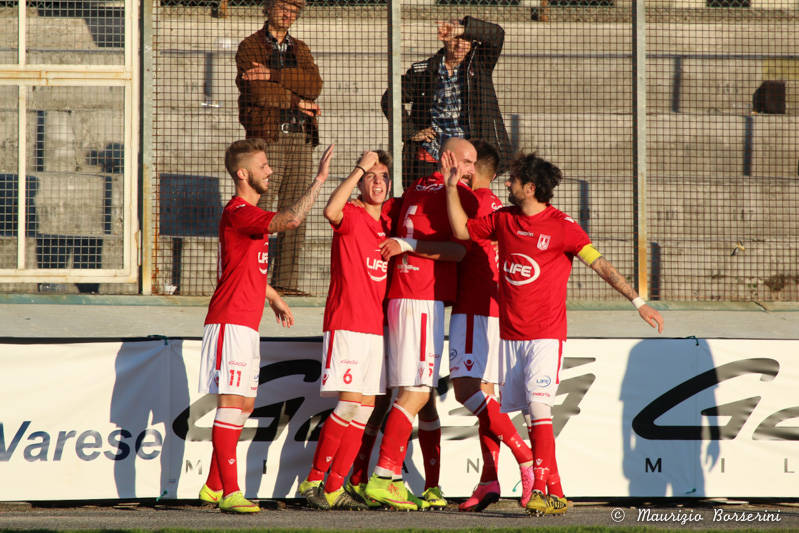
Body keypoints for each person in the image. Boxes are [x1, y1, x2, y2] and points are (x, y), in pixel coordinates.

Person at [445, 152, 664, 516]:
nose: (507, 183)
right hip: (510, 337)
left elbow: (601, 265)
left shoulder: (564, 227)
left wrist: (638, 301)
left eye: (513, 179)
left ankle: (549, 490)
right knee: (528, 414)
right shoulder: (503, 220)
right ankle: (551, 488)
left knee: (539, 406)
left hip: (545, 336)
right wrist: (452, 187)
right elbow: (460, 230)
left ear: (530, 188)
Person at [197, 138, 334, 513]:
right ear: (242, 174)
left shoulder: (248, 214)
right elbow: (290, 220)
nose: (269, 170)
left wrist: (271, 296)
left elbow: (243, 268)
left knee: (244, 405)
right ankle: (230, 492)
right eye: (262, 166)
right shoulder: (240, 211)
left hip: (244, 322)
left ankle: (212, 485)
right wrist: (319, 179)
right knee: (232, 405)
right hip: (229, 322)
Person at [363, 137, 479, 511]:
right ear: (449, 160)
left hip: (405, 296)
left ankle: (403, 482)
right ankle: (383, 475)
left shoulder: (417, 186)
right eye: (468, 161)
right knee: (415, 393)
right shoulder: (452, 193)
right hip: (420, 296)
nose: (472, 170)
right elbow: (460, 248)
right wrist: (409, 245)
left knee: (420, 397)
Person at [297, 150, 394, 511]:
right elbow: (329, 211)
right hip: (348, 323)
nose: (378, 181)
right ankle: (314, 479)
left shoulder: (386, 226)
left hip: (374, 329)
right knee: (350, 402)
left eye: (383, 175)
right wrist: (358, 169)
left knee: (366, 408)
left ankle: (335, 486)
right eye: (372, 176)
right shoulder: (351, 214)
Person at [448, 140, 536, 512]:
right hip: (495, 308)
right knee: (486, 396)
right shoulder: (502, 208)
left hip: (474, 307)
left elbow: (458, 240)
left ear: (472, 170)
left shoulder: (475, 202)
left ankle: (525, 456)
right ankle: (489, 479)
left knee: (464, 391)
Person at [235, 0, 323, 295]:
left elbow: (314, 86)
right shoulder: (250, 47)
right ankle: (249, 276)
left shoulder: (301, 48)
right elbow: (258, 93)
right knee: (260, 209)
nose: (289, 14)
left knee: (296, 210)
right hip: (268, 139)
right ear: (269, 7)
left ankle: (285, 284)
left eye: (295, 10)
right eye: (284, 7)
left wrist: (273, 75)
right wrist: (297, 101)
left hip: (300, 137)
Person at [381, 16, 511, 190]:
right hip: (432, 155)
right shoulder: (424, 70)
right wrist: (410, 131)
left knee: (466, 206)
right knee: (428, 205)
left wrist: (462, 29)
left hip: (469, 154)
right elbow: (390, 98)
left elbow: (497, 35)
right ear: (444, 40)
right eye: (455, 39)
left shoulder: (479, 63)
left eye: (466, 39)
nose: (460, 45)